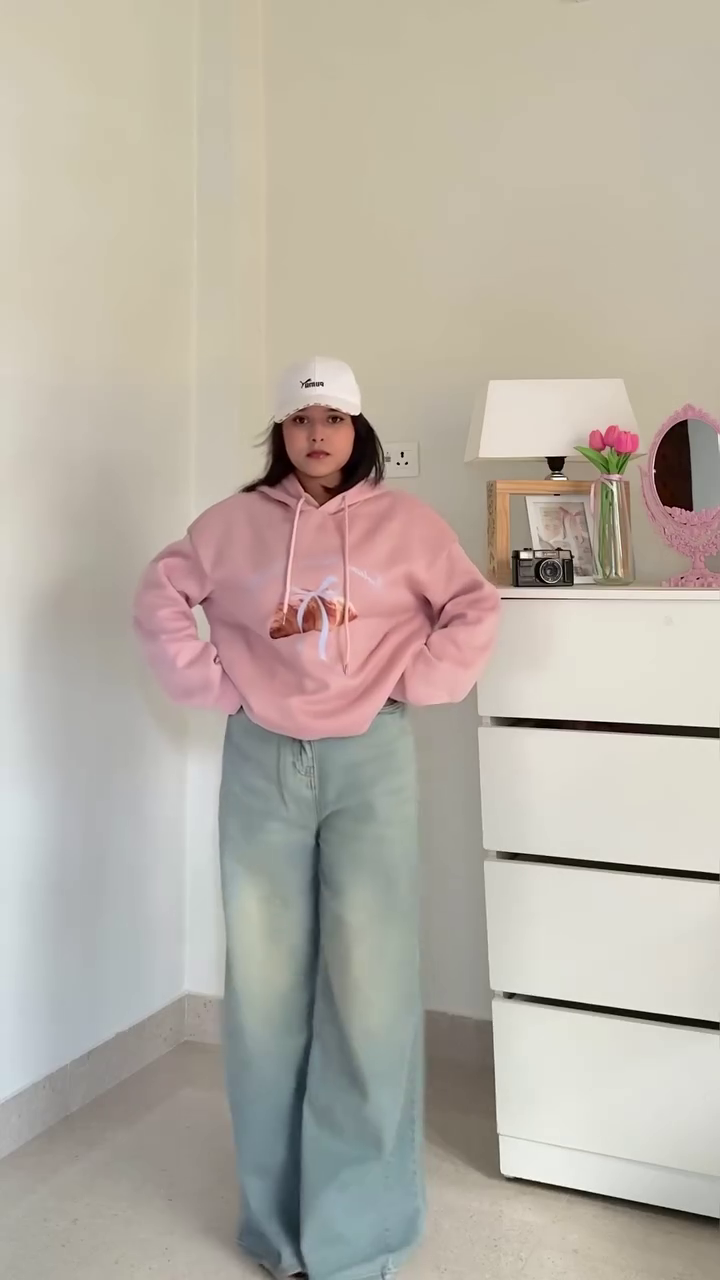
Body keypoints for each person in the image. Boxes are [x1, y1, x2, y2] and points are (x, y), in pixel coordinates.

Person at [134, 358, 500, 1280]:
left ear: (358, 429)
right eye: (301, 419)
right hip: (262, 761)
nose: (317, 434)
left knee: (371, 993)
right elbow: (162, 595)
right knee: (264, 996)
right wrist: (216, 684)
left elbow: (472, 606)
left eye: (334, 418)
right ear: (281, 433)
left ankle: (357, 1237)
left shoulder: (407, 524)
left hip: (370, 764)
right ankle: (277, 1229)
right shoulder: (232, 525)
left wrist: (412, 683)